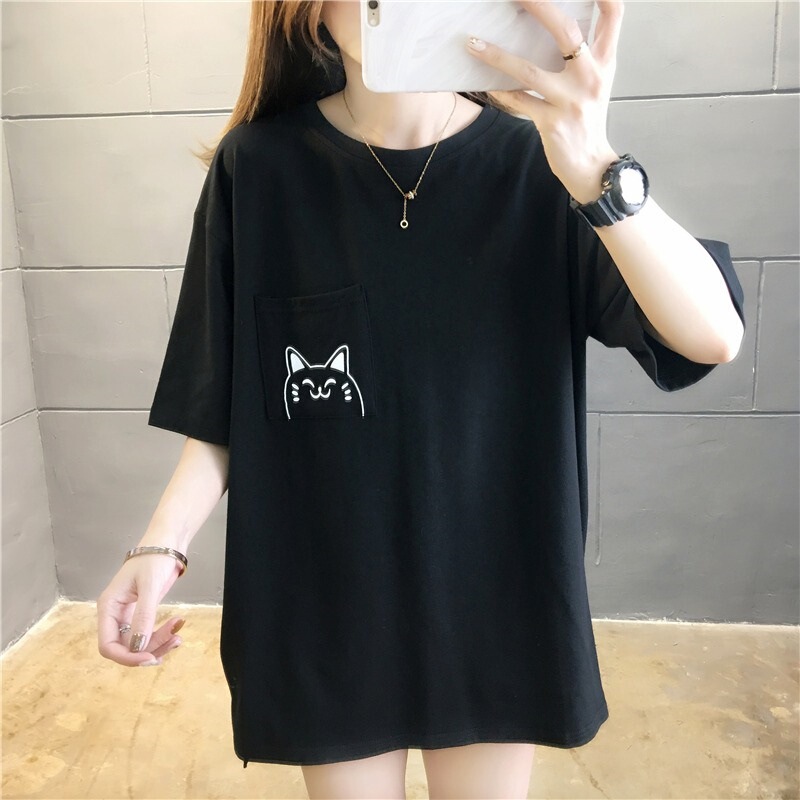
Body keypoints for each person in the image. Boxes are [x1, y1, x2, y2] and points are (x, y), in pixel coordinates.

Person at [96, 1, 746, 797]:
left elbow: (711, 337)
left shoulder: (541, 161)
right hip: (325, 603)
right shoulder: (258, 169)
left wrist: (594, 167)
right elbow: (223, 399)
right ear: (304, 11)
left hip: (498, 597)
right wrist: (158, 548)